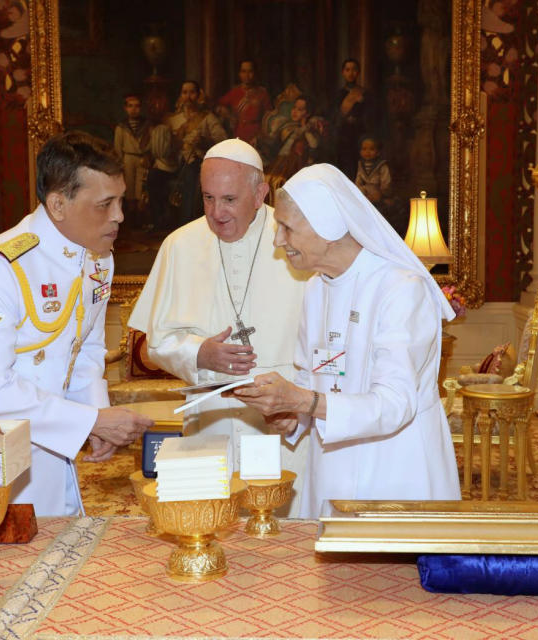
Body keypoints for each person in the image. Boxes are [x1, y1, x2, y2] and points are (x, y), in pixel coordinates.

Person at [0, 131, 154, 516]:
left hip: (54, 443)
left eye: (120, 201)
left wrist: (95, 416)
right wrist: (90, 420)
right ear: (58, 204)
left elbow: (85, 348)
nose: (119, 216)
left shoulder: (98, 258)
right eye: (105, 203)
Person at [232, 163, 460, 519]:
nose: (278, 240)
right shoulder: (315, 288)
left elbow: (394, 404)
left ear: (329, 225)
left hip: (397, 471)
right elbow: (314, 377)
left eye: (287, 227)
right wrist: (290, 416)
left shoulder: (401, 289)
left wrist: (303, 401)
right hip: (331, 468)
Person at [128, 138, 310, 516]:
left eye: (229, 199)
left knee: (289, 534)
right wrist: (199, 352)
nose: (216, 213)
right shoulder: (180, 245)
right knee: (214, 526)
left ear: (261, 193)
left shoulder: (299, 240)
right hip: (212, 419)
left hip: (285, 424)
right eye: (208, 199)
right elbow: (155, 343)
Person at [148, 80, 227, 229]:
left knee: (190, 175)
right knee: (154, 176)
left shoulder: (207, 118)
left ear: (198, 95)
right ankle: (159, 223)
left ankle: (186, 225)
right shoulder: (173, 119)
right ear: (181, 95)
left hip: (194, 162)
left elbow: (222, 140)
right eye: (185, 92)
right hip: (174, 164)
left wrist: (204, 141)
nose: (188, 96)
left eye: (192, 92)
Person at [331, 59, 375, 180]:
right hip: (342, 137)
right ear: (343, 72)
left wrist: (357, 118)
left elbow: (370, 117)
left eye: (354, 69)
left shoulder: (365, 94)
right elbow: (333, 116)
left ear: (358, 72)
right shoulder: (338, 94)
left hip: (359, 136)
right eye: (347, 69)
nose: (351, 73)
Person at [113, 93, 152, 229]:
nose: (134, 109)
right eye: (130, 106)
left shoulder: (146, 126)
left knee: (140, 189)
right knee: (129, 189)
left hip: (141, 158)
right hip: (128, 158)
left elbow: (150, 142)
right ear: (125, 108)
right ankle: (130, 219)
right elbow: (118, 147)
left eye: (137, 106)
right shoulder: (121, 127)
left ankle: (140, 218)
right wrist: (120, 163)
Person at [217, 60, 272, 145]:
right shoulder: (235, 92)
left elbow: (269, 118)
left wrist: (259, 137)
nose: (247, 75)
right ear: (239, 74)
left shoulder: (262, 93)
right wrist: (227, 114)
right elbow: (218, 106)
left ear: (255, 73)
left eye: (250, 71)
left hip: (256, 136)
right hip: (238, 134)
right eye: (244, 71)